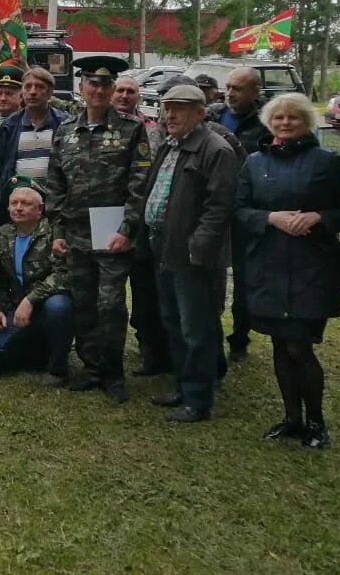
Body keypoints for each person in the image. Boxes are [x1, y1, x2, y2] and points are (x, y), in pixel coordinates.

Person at [235, 92, 340, 449]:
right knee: (279, 343)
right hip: (268, 264)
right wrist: (269, 218)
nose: (285, 122)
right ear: (269, 122)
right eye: (279, 117)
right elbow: (239, 209)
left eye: (293, 117)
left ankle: (316, 422)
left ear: (306, 121)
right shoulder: (255, 163)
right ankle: (291, 418)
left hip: (312, 265)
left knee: (299, 346)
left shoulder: (327, 162)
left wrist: (320, 217)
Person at [45, 56, 151, 403]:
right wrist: (58, 231)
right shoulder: (65, 132)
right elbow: (55, 185)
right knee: (84, 302)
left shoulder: (131, 129)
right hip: (75, 232)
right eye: (93, 83)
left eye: (106, 84)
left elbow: (139, 184)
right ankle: (91, 369)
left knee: (111, 305)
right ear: (81, 88)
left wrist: (128, 228)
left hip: (112, 230)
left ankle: (112, 373)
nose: (100, 89)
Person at [142, 84, 239, 424]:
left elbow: (219, 208)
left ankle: (198, 399)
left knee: (195, 328)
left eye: (179, 108)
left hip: (192, 256)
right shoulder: (171, 146)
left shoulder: (215, 150)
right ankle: (183, 386)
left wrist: (198, 248)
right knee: (172, 321)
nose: (170, 114)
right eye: (167, 108)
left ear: (200, 112)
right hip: (164, 248)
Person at [0, 178, 74, 384]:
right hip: (16, 309)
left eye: (25, 204)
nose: (18, 208)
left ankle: (57, 369)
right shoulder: (2, 234)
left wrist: (30, 300)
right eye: (14, 203)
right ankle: (38, 353)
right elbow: (0, 280)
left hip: (45, 305)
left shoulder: (53, 233)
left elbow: (63, 274)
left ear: (40, 209)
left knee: (59, 305)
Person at [206, 66, 272, 362]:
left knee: (245, 280)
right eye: (229, 86)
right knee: (210, 276)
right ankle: (211, 335)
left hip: (246, 212)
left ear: (255, 91)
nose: (230, 93)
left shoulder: (267, 122)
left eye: (239, 88)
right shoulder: (212, 115)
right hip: (211, 209)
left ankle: (240, 338)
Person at [112, 74, 169, 376]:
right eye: (119, 90)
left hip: (143, 221)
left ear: (139, 96)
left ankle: (152, 353)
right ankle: (105, 353)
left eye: (130, 91)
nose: (123, 96)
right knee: (109, 291)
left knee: (146, 290)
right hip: (105, 219)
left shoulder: (152, 130)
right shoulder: (98, 124)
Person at [0, 66, 67, 220]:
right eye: (28, 86)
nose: (33, 91)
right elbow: (1, 169)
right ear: (22, 92)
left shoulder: (65, 124)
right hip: (20, 208)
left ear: (50, 93)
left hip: (55, 207)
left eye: (40, 87)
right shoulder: (9, 127)